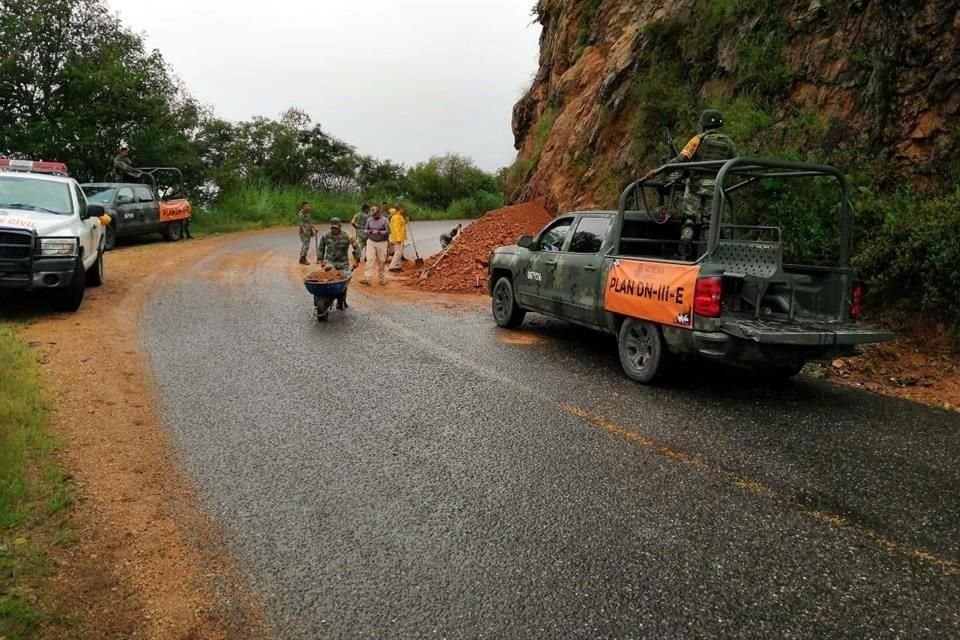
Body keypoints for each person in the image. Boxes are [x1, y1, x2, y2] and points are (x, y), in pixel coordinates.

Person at [647, 109, 738, 258]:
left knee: (689, 218)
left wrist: (658, 171)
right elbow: (736, 162)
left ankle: (684, 252)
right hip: (716, 186)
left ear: (703, 124)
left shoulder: (698, 139)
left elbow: (681, 159)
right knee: (710, 219)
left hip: (696, 185)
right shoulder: (728, 142)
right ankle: (709, 254)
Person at [317, 218, 360, 310]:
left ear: (340, 227)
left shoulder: (348, 236)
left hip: (343, 263)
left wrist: (356, 260)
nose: (334, 230)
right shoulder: (326, 236)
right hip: (330, 262)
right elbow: (321, 248)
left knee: (343, 283)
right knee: (327, 279)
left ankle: (341, 300)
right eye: (332, 228)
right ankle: (325, 297)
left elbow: (356, 247)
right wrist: (321, 260)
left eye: (336, 228)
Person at [361, 206, 390, 285]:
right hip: (371, 242)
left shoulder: (385, 220)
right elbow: (365, 229)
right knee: (370, 259)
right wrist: (369, 231)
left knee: (381, 261)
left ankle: (382, 279)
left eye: (375, 215)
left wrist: (379, 232)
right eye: (372, 215)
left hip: (382, 242)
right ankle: (367, 278)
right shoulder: (369, 220)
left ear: (379, 213)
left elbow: (388, 231)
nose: (374, 216)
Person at [388, 204, 408, 272]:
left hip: (400, 236)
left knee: (400, 251)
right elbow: (396, 229)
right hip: (398, 237)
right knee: (398, 252)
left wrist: (406, 221)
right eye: (403, 208)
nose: (404, 210)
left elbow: (401, 225)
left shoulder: (398, 216)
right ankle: (392, 266)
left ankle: (398, 265)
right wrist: (398, 238)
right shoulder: (396, 217)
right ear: (400, 209)